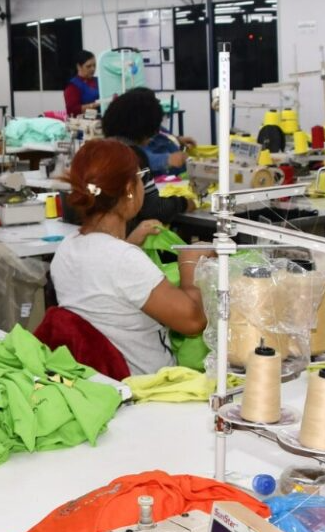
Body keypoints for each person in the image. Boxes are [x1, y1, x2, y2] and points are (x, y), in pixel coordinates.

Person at [51, 139, 209, 376]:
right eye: (141, 177)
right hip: (146, 384)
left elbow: (105, 284)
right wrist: (190, 263)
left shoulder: (67, 247)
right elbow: (193, 322)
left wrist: (129, 243)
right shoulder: (124, 260)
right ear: (129, 189)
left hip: (98, 379)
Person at [100, 87, 193, 226]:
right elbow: (154, 208)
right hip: (124, 232)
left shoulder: (95, 150)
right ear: (144, 127)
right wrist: (183, 203)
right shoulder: (134, 157)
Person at [62, 50, 100, 117]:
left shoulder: (98, 81)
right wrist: (94, 105)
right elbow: (72, 111)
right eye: (88, 66)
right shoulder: (73, 86)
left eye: (94, 65)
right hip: (84, 121)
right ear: (79, 67)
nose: (93, 69)